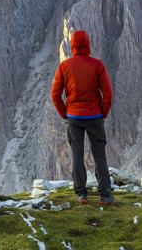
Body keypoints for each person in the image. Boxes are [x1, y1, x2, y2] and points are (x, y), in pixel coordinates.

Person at [51, 30, 115, 205]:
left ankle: (81, 194)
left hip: (73, 117)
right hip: (95, 116)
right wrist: (104, 112)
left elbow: (55, 94)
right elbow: (108, 93)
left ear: (72, 45)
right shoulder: (97, 65)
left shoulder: (64, 66)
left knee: (77, 155)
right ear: (88, 44)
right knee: (99, 155)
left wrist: (64, 113)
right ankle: (105, 194)